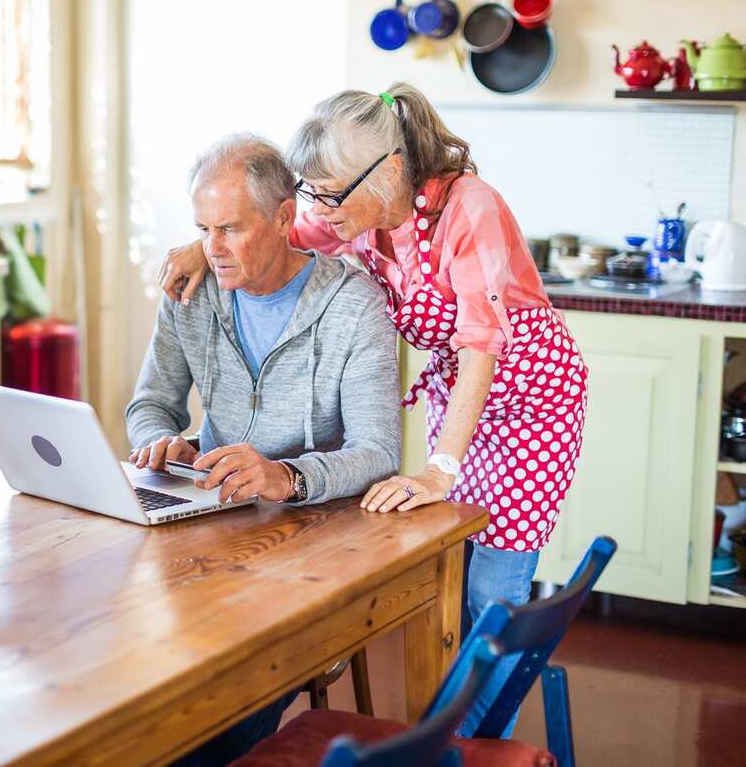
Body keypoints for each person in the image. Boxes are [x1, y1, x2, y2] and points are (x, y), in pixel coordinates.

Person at [157, 85, 589, 738]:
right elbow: (271, 227)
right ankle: (445, 738)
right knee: (452, 570)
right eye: (314, 194)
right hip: (462, 401)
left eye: (329, 194)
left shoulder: (470, 207)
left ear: (388, 171)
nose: (319, 211)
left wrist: (440, 469)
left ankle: (469, 744)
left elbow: (480, 346)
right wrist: (202, 247)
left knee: (490, 593)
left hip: (531, 406)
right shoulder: (351, 214)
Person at [127, 132, 401, 765]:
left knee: (219, 708)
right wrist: (156, 442)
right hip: (205, 531)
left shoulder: (352, 306)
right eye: (202, 229)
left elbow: (378, 449)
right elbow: (149, 405)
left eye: (229, 228)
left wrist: (287, 476)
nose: (212, 249)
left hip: (307, 542)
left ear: (284, 218)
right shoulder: (190, 291)